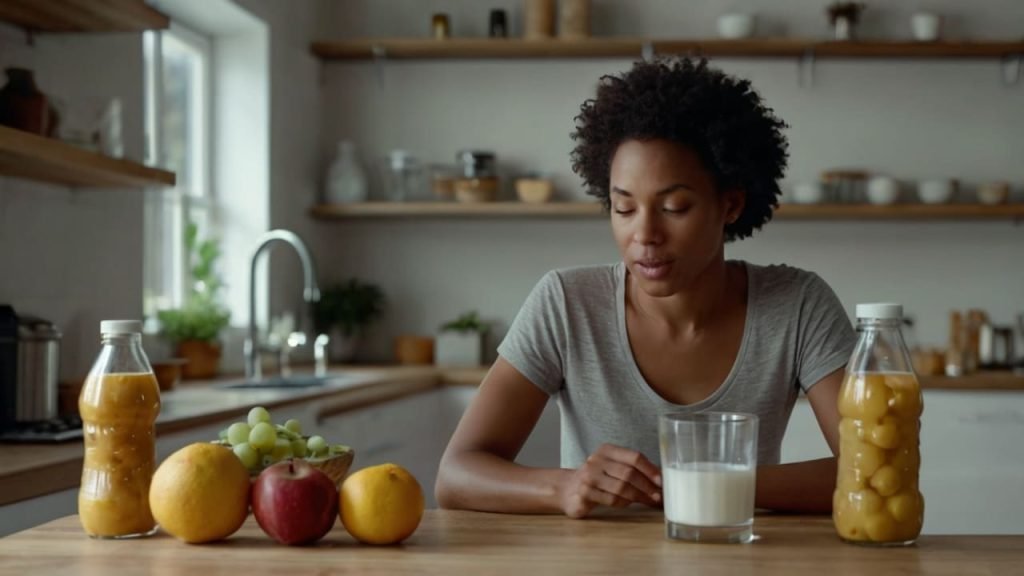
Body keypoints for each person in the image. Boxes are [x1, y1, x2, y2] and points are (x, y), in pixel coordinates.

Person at [435, 58, 855, 518]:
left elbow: (871, 470)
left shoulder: (798, 305)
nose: (645, 234)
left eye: (674, 207)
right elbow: (455, 476)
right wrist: (564, 487)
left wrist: (710, 483)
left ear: (730, 204)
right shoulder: (566, 303)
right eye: (624, 208)